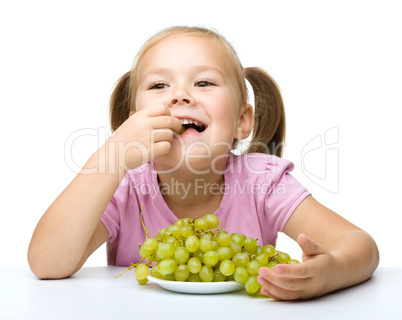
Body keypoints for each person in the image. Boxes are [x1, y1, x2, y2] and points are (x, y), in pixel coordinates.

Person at [28, 26, 379, 300]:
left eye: (204, 82)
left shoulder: (262, 182)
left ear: (243, 121)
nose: (180, 94)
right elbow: (46, 263)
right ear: (133, 123)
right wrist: (112, 154)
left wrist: (329, 273)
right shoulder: (124, 187)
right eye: (160, 84)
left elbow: (360, 245)